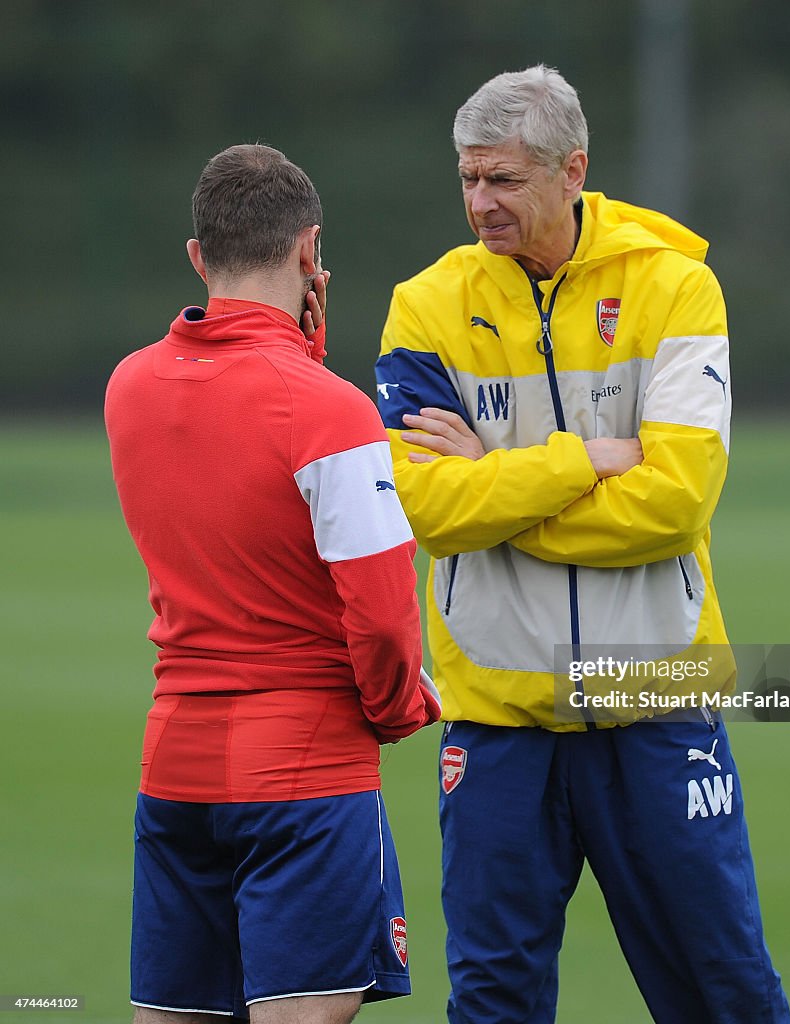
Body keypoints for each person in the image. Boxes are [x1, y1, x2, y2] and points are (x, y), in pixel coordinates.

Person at [375, 67, 790, 1023]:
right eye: (469, 179)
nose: (481, 204)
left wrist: (500, 475)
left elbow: (675, 505)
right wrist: (584, 462)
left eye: (505, 182)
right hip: (500, 718)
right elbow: (430, 512)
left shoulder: (678, 287)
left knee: (724, 992)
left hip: (655, 705)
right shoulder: (426, 307)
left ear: (574, 170)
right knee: (494, 1003)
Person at [105, 143, 440, 1024]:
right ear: (309, 253)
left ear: (196, 256)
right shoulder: (331, 409)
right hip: (305, 777)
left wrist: (302, 349)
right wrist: (401, 708)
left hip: (174, 768)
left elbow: (226, 484)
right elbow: (382, 617)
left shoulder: (129, 388)